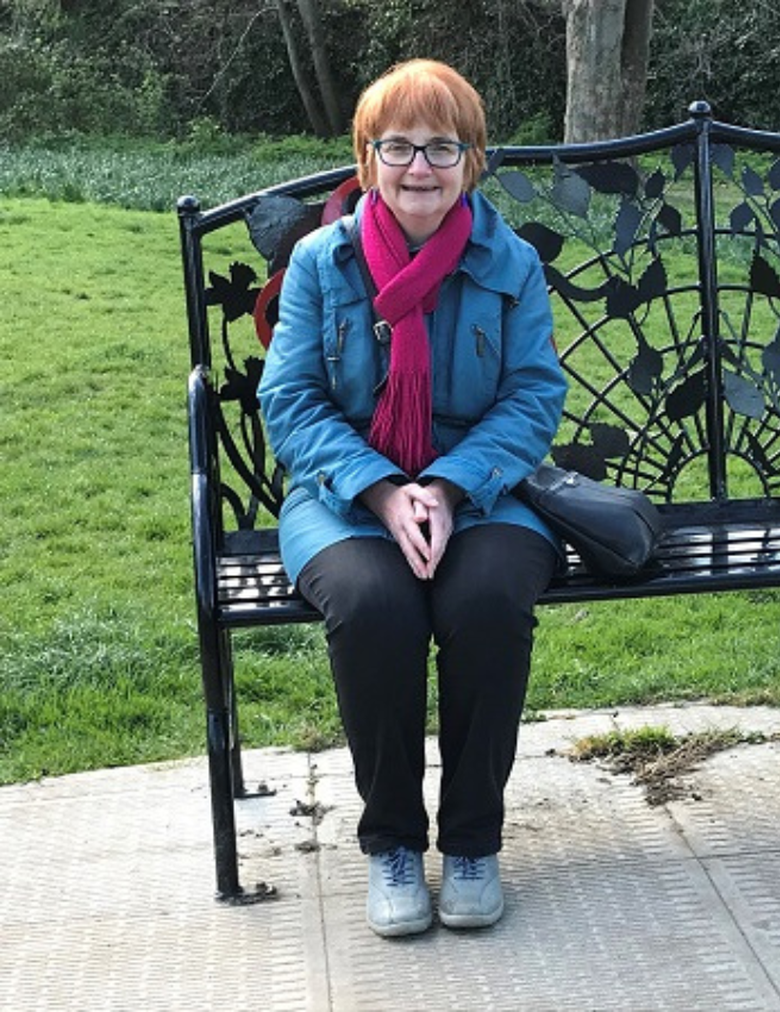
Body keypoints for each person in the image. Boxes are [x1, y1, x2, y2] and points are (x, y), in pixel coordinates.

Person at [257, 58, 567, 938]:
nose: (419, 167)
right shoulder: (323, 262)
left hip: (484, 490)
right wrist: (386, 490)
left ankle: (472, 843)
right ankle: (392, 842)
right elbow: (293, 400)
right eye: (398, 146)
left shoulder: (509, 263)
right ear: (367, 158)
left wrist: (449, 484)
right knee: (373, 605)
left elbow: (533, 395)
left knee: (486, 599)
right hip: (344, 494)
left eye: (441, 146)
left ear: (471, 160)